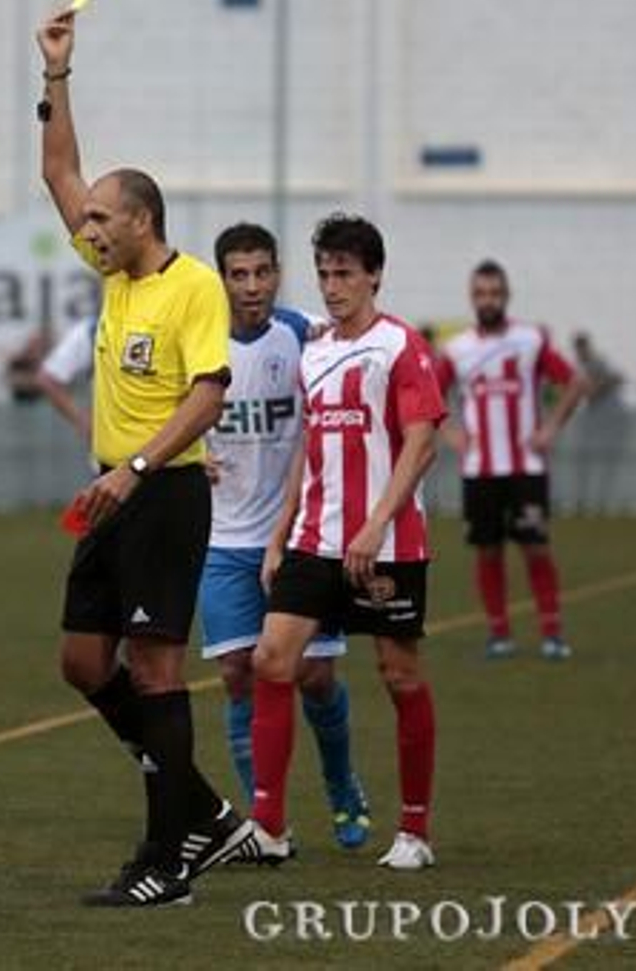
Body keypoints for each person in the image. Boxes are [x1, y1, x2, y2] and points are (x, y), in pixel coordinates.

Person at [38, 6, 259, 908]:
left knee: (159, 670)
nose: (86, 226)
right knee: (85, 663)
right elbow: (56, 168)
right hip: (112, 491)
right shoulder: (114, 274)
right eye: (86, 219)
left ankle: (170, 857)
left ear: (142, 219)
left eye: (101, 217)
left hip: (161, 492)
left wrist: (133, 469)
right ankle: (203, 809)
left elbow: (211, 391)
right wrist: (57, 73)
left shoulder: (193, 285)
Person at [248, 213, 446, 872]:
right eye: (325, 273)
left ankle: (414, 831)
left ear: (373, 276)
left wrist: (376, 523)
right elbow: (310, 449)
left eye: (345, 274)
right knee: (271, 659)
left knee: (399, 674)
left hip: (386, 545)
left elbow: (422, 442)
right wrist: (279, 538)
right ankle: (268, 825)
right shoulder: (315, 351)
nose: (333, 286)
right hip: (314, 541)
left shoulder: (401, 346)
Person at [197, 222, 370, 850]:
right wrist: (191, 448)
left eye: (261, 272)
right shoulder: (200, 340)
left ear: (276, 273)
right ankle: (264, 819)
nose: (251, 286)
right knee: (240, 675)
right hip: (220, 540)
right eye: (238, 274)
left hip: (301, 537)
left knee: (315, 678)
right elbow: (161, 407)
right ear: (222, 279)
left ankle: (342, 783)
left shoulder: (304, 336)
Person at [436, 260, 590, 660]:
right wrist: (451, 433)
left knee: (536, 547)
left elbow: (575, 382)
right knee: (488, 551)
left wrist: (552, 426)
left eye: (494, 293)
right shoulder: (457, 350)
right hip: (480, 470)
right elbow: (428, 397)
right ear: (472, 298)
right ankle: (499, 633)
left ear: (506, 296)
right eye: (481, 294)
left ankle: (552, 633)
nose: (488, 300)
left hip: (525, 468)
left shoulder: (530, 340)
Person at [570, 332, 626, 513]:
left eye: (583, 346)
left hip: (611, 419)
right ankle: (583, 501)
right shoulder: (581, 366)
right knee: (586, 460)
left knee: (606, 461)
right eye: (578, 347)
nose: (580, 350)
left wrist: (596, 388)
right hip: (594, 419)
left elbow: (618, 378)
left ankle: (602, 502)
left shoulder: (598, 362)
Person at [37, 317, 96, 438]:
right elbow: (48, 379)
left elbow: (47, 379)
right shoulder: (92, 331)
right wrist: (81, 419)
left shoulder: (90, 330)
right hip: (115, 439)